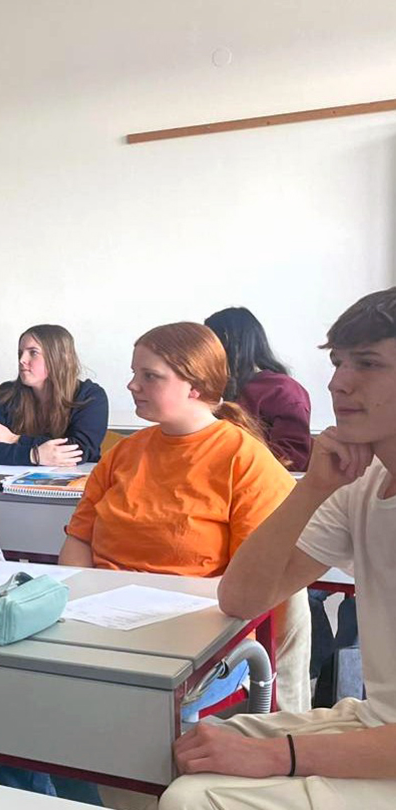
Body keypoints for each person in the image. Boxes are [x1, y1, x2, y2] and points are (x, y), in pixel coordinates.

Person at [162, 288, 396, 810]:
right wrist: (311, 488)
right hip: (376, 723)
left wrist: (276, 757)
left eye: (369, 363)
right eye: (337, 363)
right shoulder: (361, 484)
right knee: (181, 751)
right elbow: (242, 599)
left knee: (194, 799)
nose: (338, 382)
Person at [60, 322, 311, 714]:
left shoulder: (243, 459)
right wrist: (80, 596)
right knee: (19, 689)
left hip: (199, 635)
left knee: (115, 711)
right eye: (133, 373)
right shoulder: (125, 453)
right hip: (102, 623)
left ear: (194, 386)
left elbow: (253, 583)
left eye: (149, 376)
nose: (132, 385)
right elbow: (79, 539)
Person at [0, 324, 108, 466]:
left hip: (76, 485)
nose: (22, 360)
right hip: (9, 485)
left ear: (58, 358)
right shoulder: (5, 394)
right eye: (20, 353)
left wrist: (15, 439)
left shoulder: (91, 396)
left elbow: (78, 451)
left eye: (33, 353)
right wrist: (33, 455)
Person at [205, 307, 312, 471]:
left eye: (210, 345)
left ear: (226, 341)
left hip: (260, 485)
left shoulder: (281, 389)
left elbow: (292, 458)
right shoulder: (220, 389)